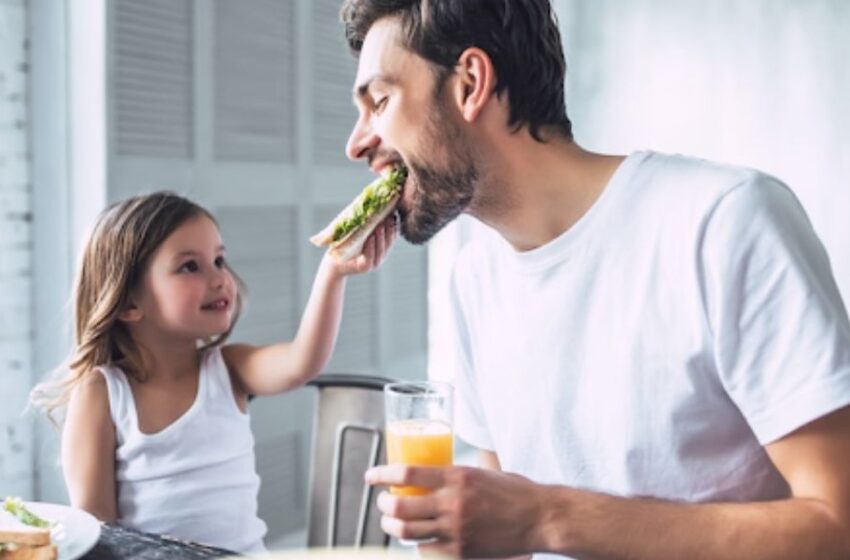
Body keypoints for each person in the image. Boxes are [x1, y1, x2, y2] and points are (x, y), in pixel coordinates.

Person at [338, 1, 850, 558]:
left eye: (380, 102)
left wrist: (548, 517)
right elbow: (506, 534)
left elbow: (838, 524)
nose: (357, 143)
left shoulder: (725, 220)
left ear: (470, 83)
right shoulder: (474, 280)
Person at [31, 192, 396, 554]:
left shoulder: (229, 369)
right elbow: (99, 530)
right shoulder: (102, 392)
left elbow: (302, 361)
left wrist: (333, 271)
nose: (220, 278)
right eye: (190, 266)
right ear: (129, 302)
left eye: (219, 260)